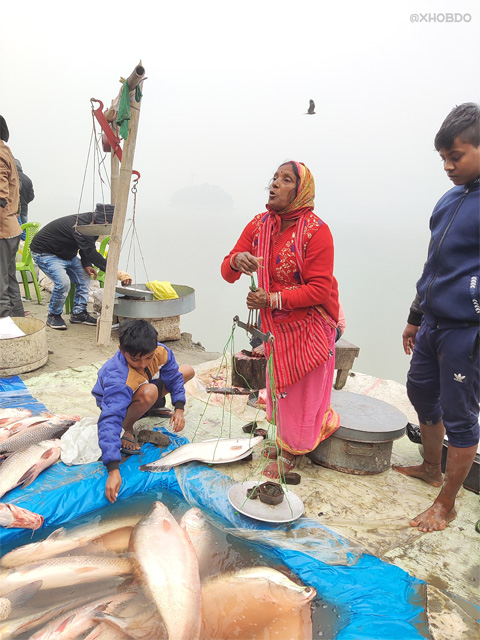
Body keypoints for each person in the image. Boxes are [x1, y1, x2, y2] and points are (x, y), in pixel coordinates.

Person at [221, 161, 340, 479]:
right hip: (276, 326)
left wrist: (271, 299)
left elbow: (319, 289)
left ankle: (292, 452)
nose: (274, 184)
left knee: (300, 389)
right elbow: (227, 271)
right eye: (274, 178)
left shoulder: (317, 231)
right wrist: (237, 260)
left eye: (286, 180)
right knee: (280, 385)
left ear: (301, 191)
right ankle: (287, 438)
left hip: (311, 321)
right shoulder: (259, 225)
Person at [393, 102, 480, 532]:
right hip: (432, 323)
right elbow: (434, 264)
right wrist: (415, 315)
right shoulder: (449, 200)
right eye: (442, 158)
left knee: (460, 414)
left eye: (456, 156)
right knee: (421, 391)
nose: (447, 166)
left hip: (468, 330)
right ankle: (431, 467)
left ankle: (445, 505)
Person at [92, 319, 195, 503]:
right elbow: (109, 419)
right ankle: (128, 428)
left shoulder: (161, 352)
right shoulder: (118, 378)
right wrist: (113, 469)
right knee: (150, 392)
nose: (142, 364)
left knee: (186, 371)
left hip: (145, 387)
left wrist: (179, 407)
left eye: (148, 357)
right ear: (122, 350)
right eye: (135, 359)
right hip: (120, 401)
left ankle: (149, 406)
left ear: (155, 347)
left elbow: (174, 377)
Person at [30, 204, 132, 329]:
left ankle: (79, 313)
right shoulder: (81, 226)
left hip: (67, 254)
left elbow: (86, 247)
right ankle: (53, 315)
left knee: (84, 278)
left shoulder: (93, 225)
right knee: (63, 283)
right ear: (100, 221)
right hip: (45, 253)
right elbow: (90, 251)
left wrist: (87, 264)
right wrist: (115, 272)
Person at [0, 115, 25, 319]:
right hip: (12, 228)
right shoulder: (6, 150)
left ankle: (5, 329)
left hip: (3, 229)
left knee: (1, 284)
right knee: (9, 280)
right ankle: (18, 323)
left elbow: (0, 195)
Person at [14, 159, 34, 241]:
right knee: (24, 231)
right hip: (24, 209)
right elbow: (31, 196)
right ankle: (26, 249)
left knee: (14, 232)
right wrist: (24, 202)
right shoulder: (27, 179)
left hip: (13, 209)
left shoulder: (11, 176)